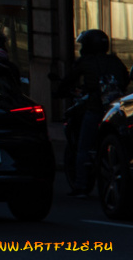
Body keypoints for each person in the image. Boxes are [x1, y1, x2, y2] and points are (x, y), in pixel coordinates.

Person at [56, 28, 129, 195]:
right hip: (113, 110)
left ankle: (81, 186)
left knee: (83, 147)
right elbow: (124, 80)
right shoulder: (114, 61)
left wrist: (59, 91)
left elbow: (69, 79)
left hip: (95, 108)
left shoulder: (85, 61)